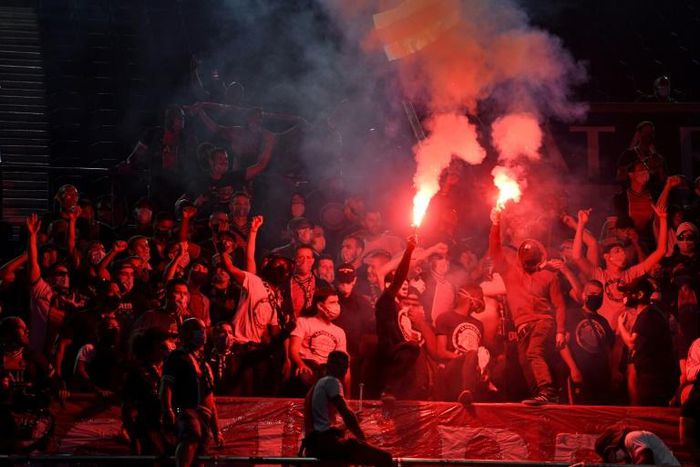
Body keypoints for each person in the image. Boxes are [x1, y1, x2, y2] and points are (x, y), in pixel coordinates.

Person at [488, 209, 566, 405]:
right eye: (526, 261)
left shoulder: (549, 276)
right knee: (525, 361)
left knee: (533, 353)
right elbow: (495, 249)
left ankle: (548, 392)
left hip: (543, 321)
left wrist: (561, 331)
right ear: (519, 259)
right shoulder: (508, 272)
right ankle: (539, 397)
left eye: (533, 261)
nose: (529, 265)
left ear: (540, 259)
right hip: (523, 327)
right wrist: (496, 224)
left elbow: (559, 305)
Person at [301, 350, 392, 467]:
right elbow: (346, 414)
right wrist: (362, 438)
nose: (343, 369)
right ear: (329, 365)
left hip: (315, 444)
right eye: (339, 364)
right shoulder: (331, 381)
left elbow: (322, 425)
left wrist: (345, 425)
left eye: (346, 365)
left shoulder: (318, 385)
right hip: (325, 444)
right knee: (384, 458)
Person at [161, 318, 223, 467]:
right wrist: (168, 409)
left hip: (204, 416)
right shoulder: (177, 357)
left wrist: (216, 430)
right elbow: (166, 384)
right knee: (191, 434)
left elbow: (210, 399)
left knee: (201, 451)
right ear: (187, 334)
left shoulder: (203, 362)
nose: (203, 334)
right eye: (198, 330)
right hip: (182, 409)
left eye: (203, 330)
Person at [617, 277, 679, 406]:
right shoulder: (648, 314)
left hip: (654, 380)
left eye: (630, 292)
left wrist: (620, 325)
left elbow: (632, 342)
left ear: (640, 294)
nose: (626, 296)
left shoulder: (649, 315)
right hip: (652, 377)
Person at [559, 280, 615, 404]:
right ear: (584, 295)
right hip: (580, 376)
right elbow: (562, 345)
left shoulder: (603, 321)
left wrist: (612, 372)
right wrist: (573, 368)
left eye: (599, 295)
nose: (596, 297)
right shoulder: (571, 315)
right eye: (592, 293)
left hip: (600, 378)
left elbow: (609, 350)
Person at [288, 287, 348, 395]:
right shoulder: (304, 322)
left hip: (328, 369)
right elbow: (293, 349)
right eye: (332, 302)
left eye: (337, 302)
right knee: (305, 376)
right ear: (320, 306)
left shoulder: (339, 332)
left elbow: (342, 359)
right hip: (309, 365)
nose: (336, 306)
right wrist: (300, 364)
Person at [122, 327, 173, 455]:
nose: (169, 347)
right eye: (163, 345)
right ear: (152, 347)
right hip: (148, 431)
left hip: (170, 432)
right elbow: (127, 408)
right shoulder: (137, 372)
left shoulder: (171, 370)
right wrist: (134, 437)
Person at [434, 284, 487, 403]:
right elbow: (441, 352)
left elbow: (481, 354)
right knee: (472, 354)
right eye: (481, 297)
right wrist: (466, 358)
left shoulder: (479, 325)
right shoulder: (445, 318)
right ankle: (467, 392)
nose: (482, 302)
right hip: (451, 371)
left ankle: (470, 391)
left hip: (471, 372)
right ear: (470, 298)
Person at [595, 427, 679, 465]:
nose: (617, 459)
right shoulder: (631, 449)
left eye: (613, 456)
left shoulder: (631, 437)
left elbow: (646, 458)